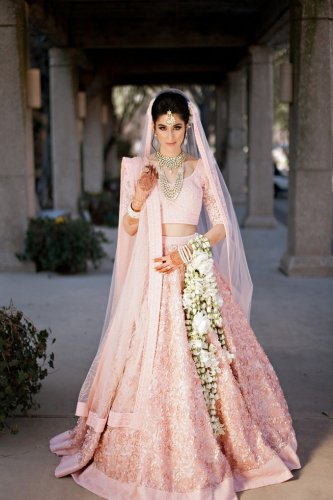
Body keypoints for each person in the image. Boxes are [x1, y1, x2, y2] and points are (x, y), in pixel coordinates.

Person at [50, 89, 301, 499]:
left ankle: (225, 445)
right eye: (162, 127)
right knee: (148, 362)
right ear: (153, 127)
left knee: (213, 360)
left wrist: (189, 253)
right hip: (153, 276)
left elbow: (220, 227)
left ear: (188, 127)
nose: (169, 135)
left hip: (194, 270)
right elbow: (129, 231)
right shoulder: (138, 168)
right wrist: (139, 196)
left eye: (177, 127)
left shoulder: (201, 169)